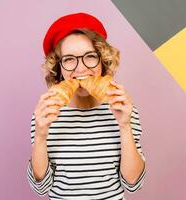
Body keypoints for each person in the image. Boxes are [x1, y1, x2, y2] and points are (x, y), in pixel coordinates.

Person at [27, 12, 146, 200]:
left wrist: (125, 126)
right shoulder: (47, 114)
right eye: (69, 59)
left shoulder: (122, 108)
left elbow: (132, 183)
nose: (80, 68)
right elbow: (41, 188)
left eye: (90, 56)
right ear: (58, 67)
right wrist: (41, 136)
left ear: (103, 60)